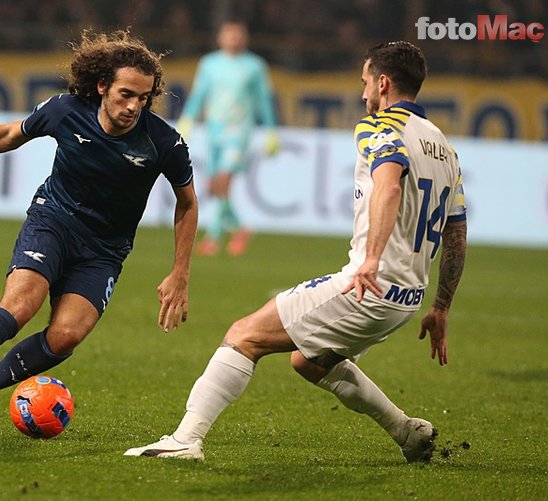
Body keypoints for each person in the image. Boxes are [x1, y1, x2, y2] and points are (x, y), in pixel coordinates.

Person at [125, 41, 468, 462]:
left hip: (369, 285)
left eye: (365, 82)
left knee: (243, 336)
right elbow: (456, 233)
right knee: (310, 362)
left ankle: (185, 439)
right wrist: (441, 307)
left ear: (382, 83)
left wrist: (372, 259)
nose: (363, 92)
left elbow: (389, 185)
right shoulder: (444, 148)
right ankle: (407, 432)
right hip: (407, 298)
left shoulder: (380, 128)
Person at [0, 30, 198, 436]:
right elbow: (11, 134)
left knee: (65, 336)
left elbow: (188, 203)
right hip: (53, 220)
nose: (134, 106)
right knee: (20, 305)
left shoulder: (163, 142)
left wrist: (180, 272)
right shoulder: (65, 111)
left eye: (144, 98)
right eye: (126, 94)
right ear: (102, 86)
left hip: (104, 250)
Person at [177, 19, 279, 257]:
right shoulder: (209, 64)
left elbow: (263, 99)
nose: (234, 39)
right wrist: (187, 118)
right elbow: (199, 94)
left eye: (238, 34)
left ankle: (212, 237)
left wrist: (271, 129)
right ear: (220, 37)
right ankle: (240, 228)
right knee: (214, 186)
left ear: (245, 38)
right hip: (214, 131)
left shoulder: (254, 66)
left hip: (239, 131)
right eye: (229, 34)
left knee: (223, 180)